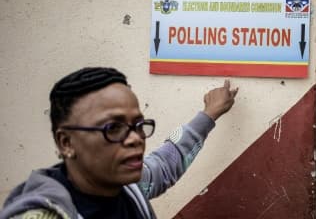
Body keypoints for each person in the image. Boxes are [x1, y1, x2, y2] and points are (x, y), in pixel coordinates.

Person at [0, 67, 238, 219]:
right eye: (113, 128)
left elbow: (165, 163)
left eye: (138, 125)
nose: (135, 138)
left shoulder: (129, 188)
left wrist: (208, 115)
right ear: (66, 142)